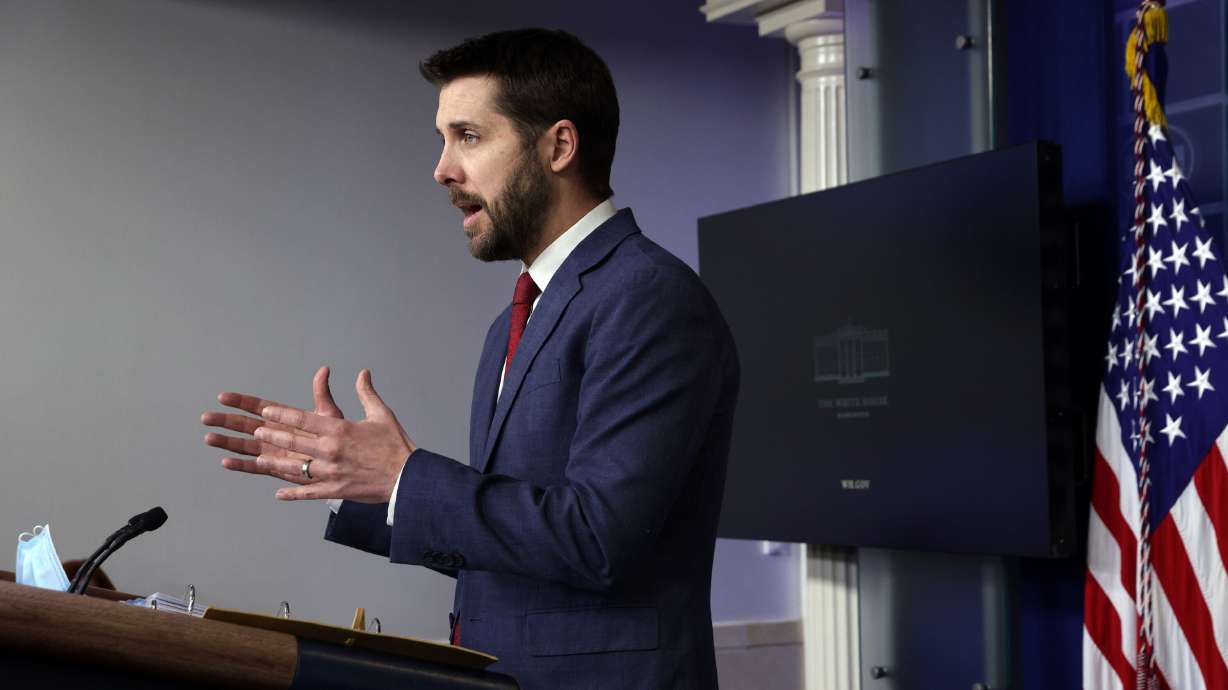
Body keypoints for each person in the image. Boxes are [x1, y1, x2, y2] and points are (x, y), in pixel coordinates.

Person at [201, 28, 739, 689]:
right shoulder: (512, 322)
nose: (443, 168)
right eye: (443, 139)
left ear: (559, 147)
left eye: (469, 137)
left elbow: (598, 539)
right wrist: (353, 477)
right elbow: (511, 541)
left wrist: (405, 478)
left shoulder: (650, 298)